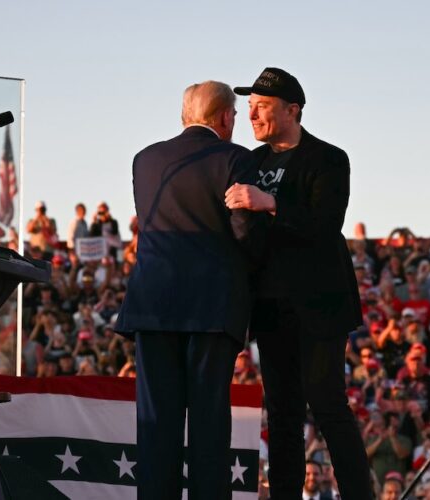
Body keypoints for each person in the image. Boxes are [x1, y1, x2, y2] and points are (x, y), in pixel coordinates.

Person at [225, 67, 373, 499]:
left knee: (328, 407)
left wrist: (270, 202)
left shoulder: (329, 158)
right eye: (249, 107)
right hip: (270, 306)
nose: (252, 115)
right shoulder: (250, 161)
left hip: (318, 304)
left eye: (262, 107)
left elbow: (326, 225)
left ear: (293, 110)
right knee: (284, 415)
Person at [114, 80, 259, 500]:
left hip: (153, 307)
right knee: (208, 426)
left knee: (156, 425)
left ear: (185, 116)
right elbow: (244, 232)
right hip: (212, 311)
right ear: (226, 117)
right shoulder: (236, 159)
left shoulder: (145, 160)